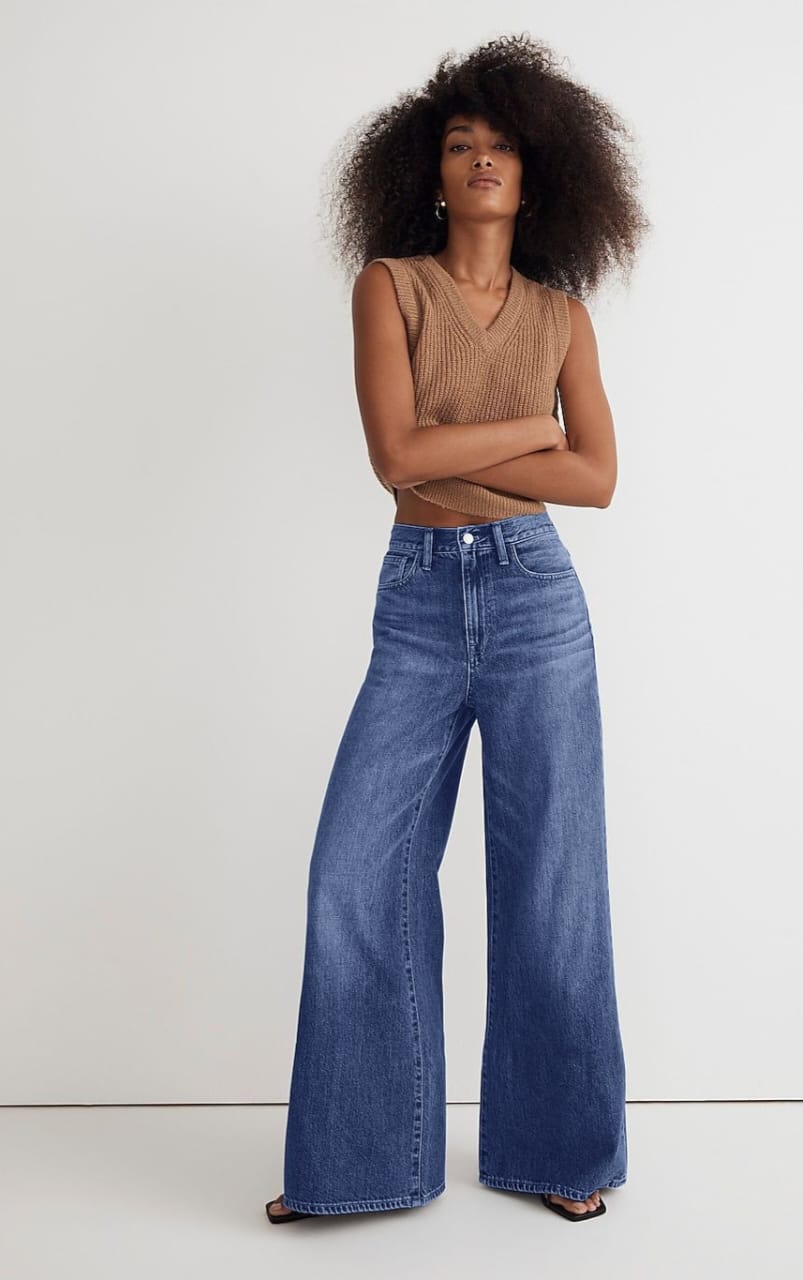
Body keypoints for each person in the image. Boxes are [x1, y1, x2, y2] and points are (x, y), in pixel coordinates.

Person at [266, 32, 650, 1225]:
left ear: (537, 177)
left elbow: (598, 480)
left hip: (537, 599)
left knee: (553, 883)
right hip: (420, 600)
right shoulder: (389, 286)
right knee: (354, 872)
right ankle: (359, 1161)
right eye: (458, 143)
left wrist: (470, 449)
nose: (481, 158)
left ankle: (562, 1149)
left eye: (501, 146)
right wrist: (530, 433)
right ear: (430, 174)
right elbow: (397, 457)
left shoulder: (563, 316)